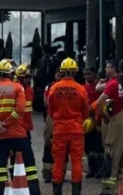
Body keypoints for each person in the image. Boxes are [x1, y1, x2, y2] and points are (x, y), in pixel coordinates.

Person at [0, 59, 42, 195]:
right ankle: (34, 191)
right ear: (10, 74)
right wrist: (6, 123)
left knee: (0, 168)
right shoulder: (17, 87)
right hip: (17, 133)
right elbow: (19, 109)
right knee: (29, 164)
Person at [96, 60, 123, 195]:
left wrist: (105, 117)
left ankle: (108, 190)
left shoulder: (114, 84)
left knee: (112, 157)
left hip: (117, 121)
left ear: (119, 70)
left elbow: (99, 103)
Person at [46, 58, 89, 195]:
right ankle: (76, 191)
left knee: (58, 161)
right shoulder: (80, 89)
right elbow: (85, 111)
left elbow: (50, 110)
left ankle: (57, 191)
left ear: (62, 72)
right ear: (75, 72)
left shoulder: (54, 88)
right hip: (76, 129)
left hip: (59, 130)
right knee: (76, 161)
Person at [82, 65, 105, 178]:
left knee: (99, 146)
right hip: (86, 121)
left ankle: (100, 168)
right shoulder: (82, 88)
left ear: (94, 74)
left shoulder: (99, 87)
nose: (87, 76)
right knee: (88, 146)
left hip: (98, 120)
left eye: (89, 74)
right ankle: (92, 168)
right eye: (85, 74)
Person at [41, 69, 61, 183]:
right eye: (57, 74)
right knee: (49, 143)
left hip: (58, 117)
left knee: (61, 145)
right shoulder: (50, 86)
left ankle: (58, 172)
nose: (59, 76)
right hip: (52, 117)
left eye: (61, 74)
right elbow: (46, 101)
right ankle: (48, 172)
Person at [16, 64, 35, 138]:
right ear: (20, 78)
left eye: (29, 77)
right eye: (26, 77)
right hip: (19, 124)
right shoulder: (16, 89)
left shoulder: (30, 90)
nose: (28, 79)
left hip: (27, 123)